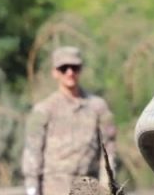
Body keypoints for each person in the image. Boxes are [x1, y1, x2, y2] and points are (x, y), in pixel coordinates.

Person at [22, 46, 117, 195]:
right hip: (53, 187)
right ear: (55, 72)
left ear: (80, 69)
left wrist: (108, 188)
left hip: (88, 187)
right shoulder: (44, 110)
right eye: (63, 68)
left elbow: (108, 152)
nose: (70, 72)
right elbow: (32, 153)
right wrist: (32, 190)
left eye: (75, 67)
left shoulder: (98, 107)